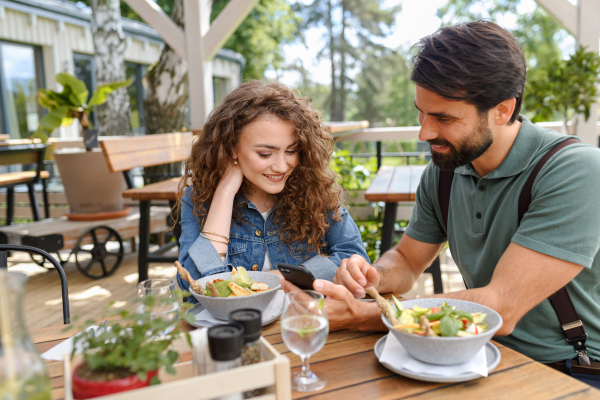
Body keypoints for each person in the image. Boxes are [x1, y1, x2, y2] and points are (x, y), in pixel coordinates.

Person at [281, 21, 600, 387]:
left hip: (570, 370)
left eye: (444, 118)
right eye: (421, 112)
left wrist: (366, 314)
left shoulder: (577, 171)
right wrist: (376, 277)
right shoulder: (447, 169)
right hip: (469, 356)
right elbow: (408, 260)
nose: (424, 132)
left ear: (503, 109)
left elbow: (501, 306)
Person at [175, 81, 369, 300]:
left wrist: (274, 280)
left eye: (291, 151)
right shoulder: (198, 198)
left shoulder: (313, 189)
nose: (281, 166)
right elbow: (191, 285)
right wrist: (225, 193)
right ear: (232, 149)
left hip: (302, 322)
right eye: (265, 154)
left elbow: (355, 260)